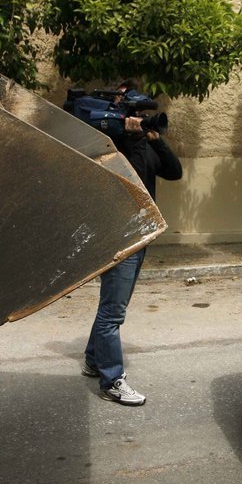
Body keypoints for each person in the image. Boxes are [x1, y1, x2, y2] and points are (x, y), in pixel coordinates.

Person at [82, 83, 182, 406]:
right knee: (113, 312)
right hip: (121, 234)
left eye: (144, 115)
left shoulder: (145, 145)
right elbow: (134, 177)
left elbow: (175, 172)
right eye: (136, 115)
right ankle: (111, 380)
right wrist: (132, 135)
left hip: (142, 235)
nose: (141, 120)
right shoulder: (116, 146)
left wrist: (156, 139)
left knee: (111, 306)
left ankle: (92, 359)